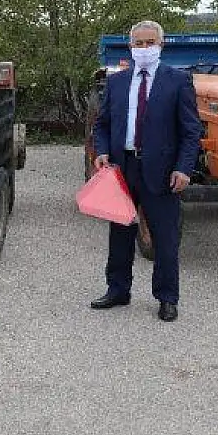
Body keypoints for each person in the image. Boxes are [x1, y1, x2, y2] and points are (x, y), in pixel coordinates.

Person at [91, 20, 201, 322]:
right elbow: (102, 125)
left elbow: (191, 131)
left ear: (161, 45)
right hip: (122, 169)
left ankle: (167, 298)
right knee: (120, 234)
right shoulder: (117, 82)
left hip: (162, 171)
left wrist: (183, 168)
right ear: (130, 46)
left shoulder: (178, 82)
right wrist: (101, 151)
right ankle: (117, 290)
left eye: (149, 42)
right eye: (138, 43)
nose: (144, 48)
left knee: (165, 239)